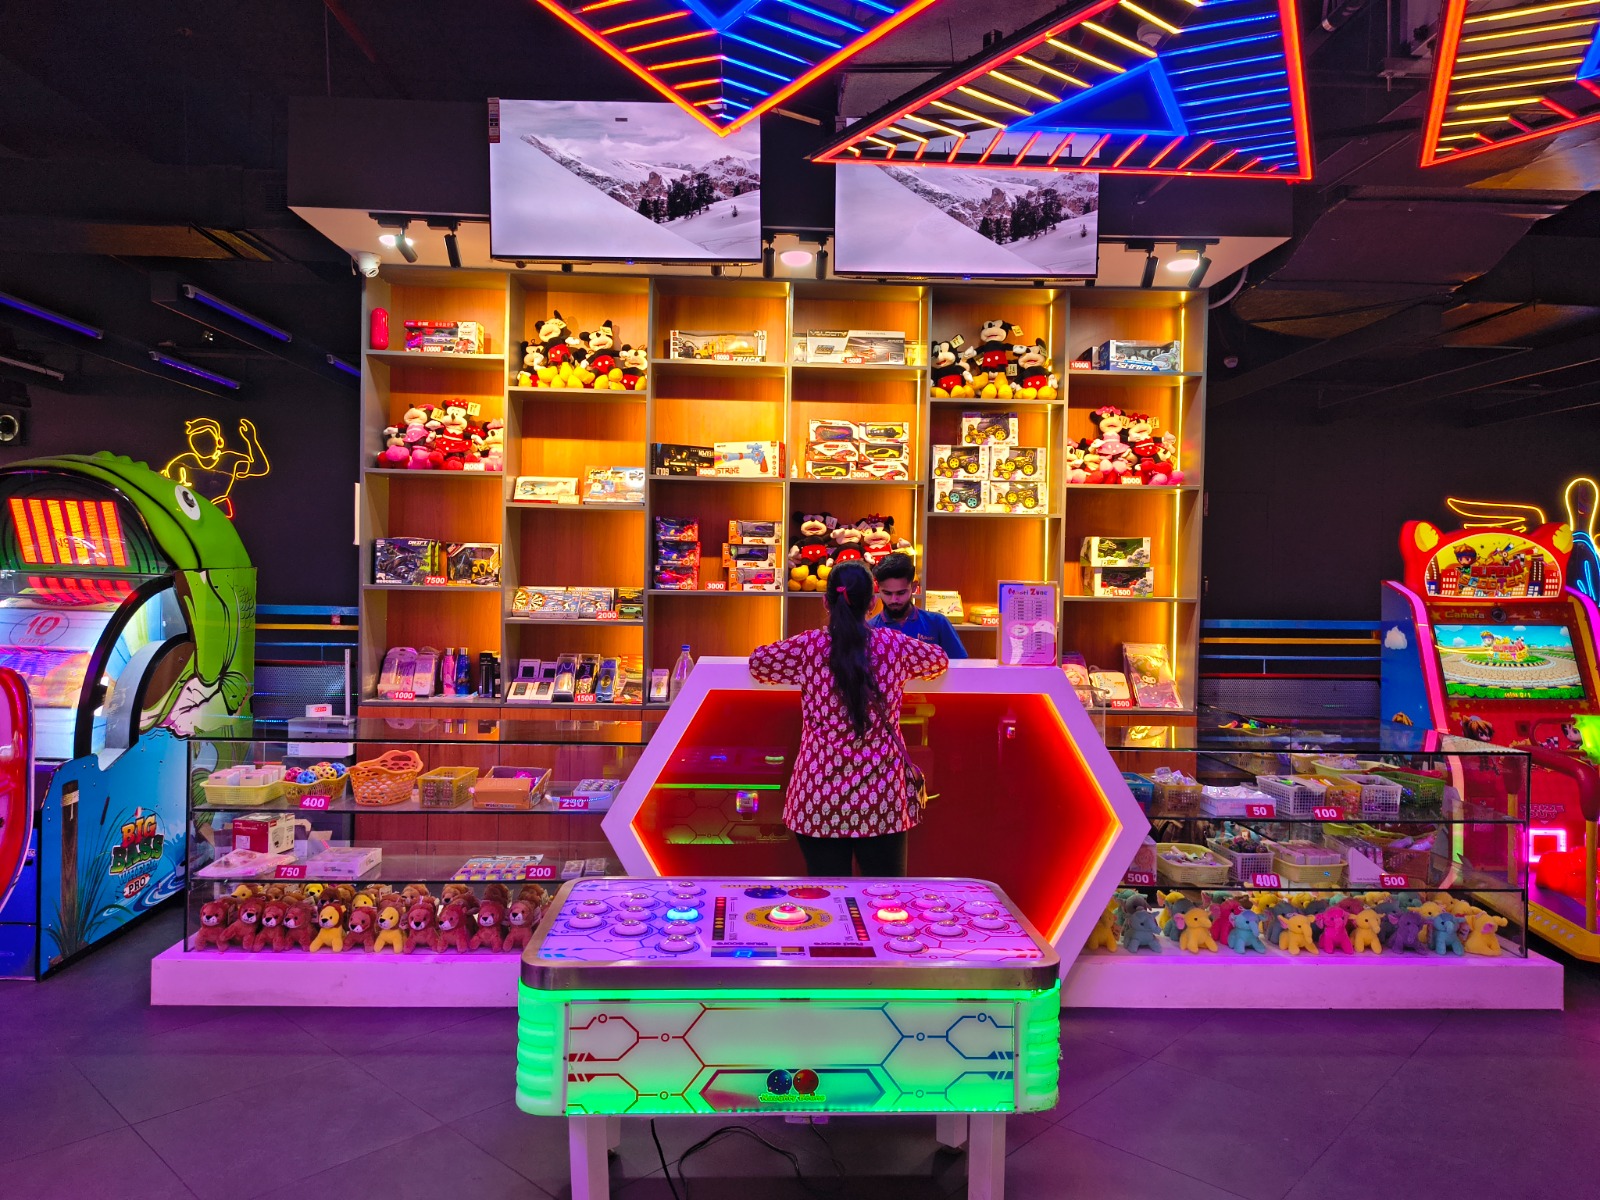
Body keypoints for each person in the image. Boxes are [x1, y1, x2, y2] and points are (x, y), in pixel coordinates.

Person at [749, 562, 948, 876]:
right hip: (882, 798)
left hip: (818, 796)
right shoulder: (894, 645)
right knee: (884, 898)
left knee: (828, 897)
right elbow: (939, 660)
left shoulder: (809, 646)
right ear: (872, 603)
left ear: (826, 602)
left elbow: (759, 663)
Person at [868, 552, 968, 659]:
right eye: (887, 593)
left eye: (901, 593)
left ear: (914, 587)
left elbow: (960, 665)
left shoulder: (938, 623)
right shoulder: (870, 630)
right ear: (878, 588)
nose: (894, 600)